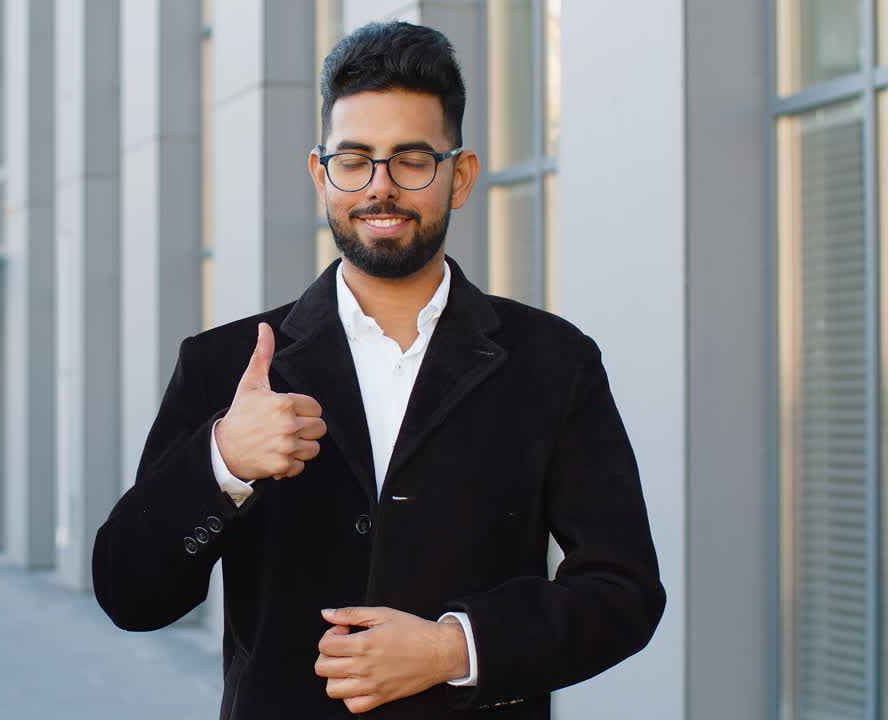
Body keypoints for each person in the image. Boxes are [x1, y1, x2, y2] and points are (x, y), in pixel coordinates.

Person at [93, 20, 664, 719]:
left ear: (460, 176)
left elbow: (624, 590)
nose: (381, 188)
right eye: (355, 159)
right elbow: (131, 595)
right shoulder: (226, 365)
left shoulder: (554, 360)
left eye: (412, 160)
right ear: (321, 173)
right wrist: (224, 462)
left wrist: (456, 648)